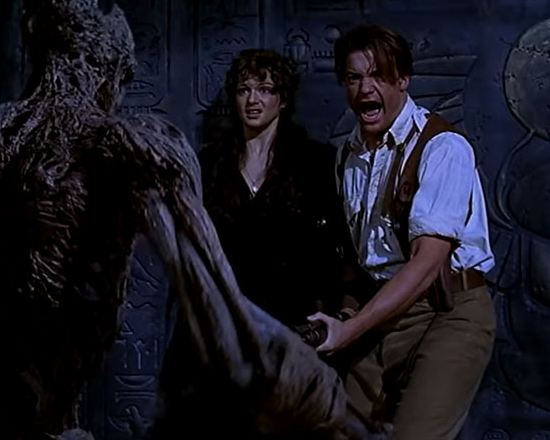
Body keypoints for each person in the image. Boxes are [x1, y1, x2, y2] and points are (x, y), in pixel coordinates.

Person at [308, 23, 496, 440]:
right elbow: (359, 257)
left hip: (448, 310)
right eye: (354, 78)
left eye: (378, 76)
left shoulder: (443, 147)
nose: (365, 89)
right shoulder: (347, 156)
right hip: (382, 314)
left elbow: (427, 263)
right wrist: (346, 314)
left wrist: (350, 331)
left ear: (403, 80)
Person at [199, 48, 345, 327]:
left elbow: (327, 251)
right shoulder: (211, 165)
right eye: (243, 90)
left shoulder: (314, 161)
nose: (252, 100)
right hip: (225, 316)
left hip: (291, 315)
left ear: (283, 99)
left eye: (264, 90)